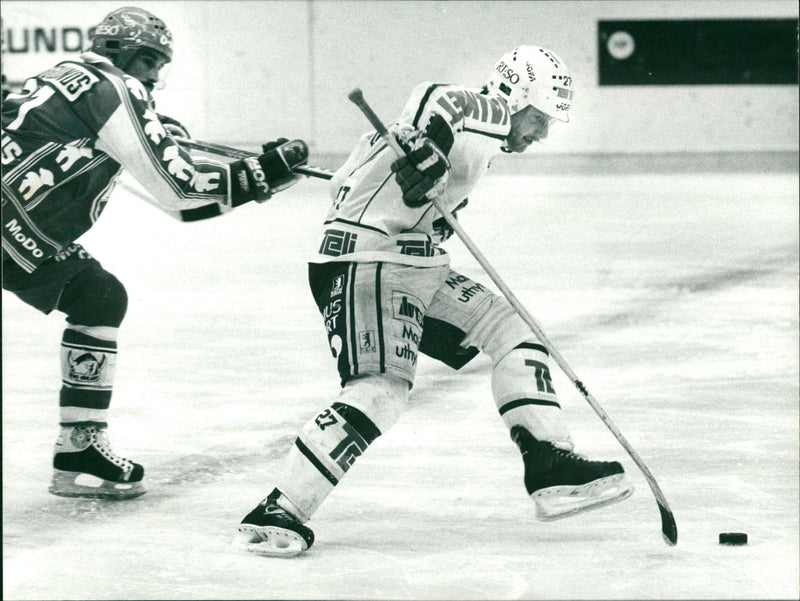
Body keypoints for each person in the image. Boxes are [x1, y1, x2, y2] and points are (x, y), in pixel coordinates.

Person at [233, 45, 633, 557]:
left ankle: (549, 463)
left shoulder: (475, 146)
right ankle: (280, 510)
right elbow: (439, 99)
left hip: (410, 262)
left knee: (511, 329)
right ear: (516, 97)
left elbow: (363, 184)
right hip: (373, 261)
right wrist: (430, 147)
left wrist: (424, 179)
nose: (542, 133)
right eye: (539, 118)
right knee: (380, 390)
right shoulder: (486, 112)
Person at [1, 6, 309, 500]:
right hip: (13, 228)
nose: (156, 78)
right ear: (127, 53)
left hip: (18, 232)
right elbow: (181, 192)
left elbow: (182, 198)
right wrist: (263, 173)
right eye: (153, 63)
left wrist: (255, 169)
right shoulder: (116, 90)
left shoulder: (66, 78)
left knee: (98, 297)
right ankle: (79, 447)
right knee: (98, 297)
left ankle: (79, 449)